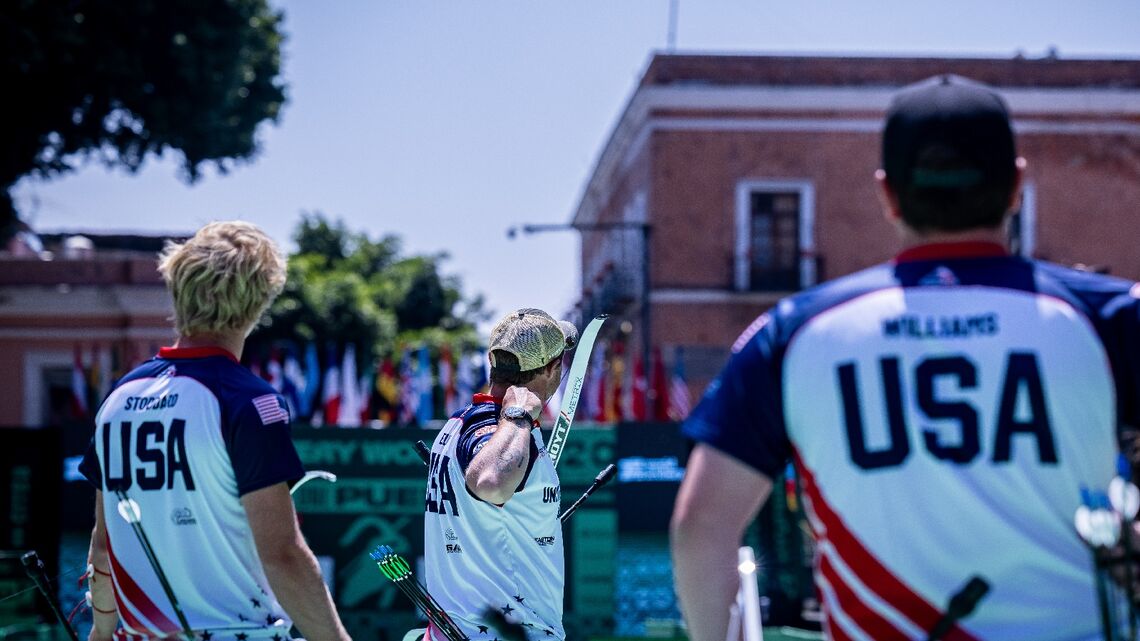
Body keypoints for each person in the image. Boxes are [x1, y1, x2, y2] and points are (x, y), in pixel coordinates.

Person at [671, 74, 1140, 641]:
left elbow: (701, 525)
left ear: (887, 194)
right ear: (1016, 186)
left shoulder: (794, 333)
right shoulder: (1110, 316)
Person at [79, 221, 351, 641]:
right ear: (258, 301)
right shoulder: (249, 400)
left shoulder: (118, 398)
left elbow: (102, 545)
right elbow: (282, 554)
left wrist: (100, 633)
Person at [423, 308, 578, 641]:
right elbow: (490, 482)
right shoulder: (503, 426)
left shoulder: (458, 423)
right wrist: (519, 414)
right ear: (552, 369)